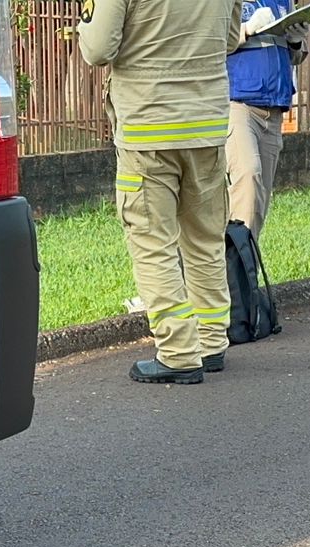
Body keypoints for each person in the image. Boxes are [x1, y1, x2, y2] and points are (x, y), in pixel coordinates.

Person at [79, 0, 245, 384]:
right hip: (206, 124)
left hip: (148, 128)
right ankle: (211, 341)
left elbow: (98, 49)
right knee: (204, 239)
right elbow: (231, 39)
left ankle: (178, 353)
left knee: (154, 245)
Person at [226, 1, 309, 239]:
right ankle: (235, 269)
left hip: (273, 107)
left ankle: (244, 266)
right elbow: (206, 41)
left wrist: (295, 40)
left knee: (259, 199)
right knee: (248, 180)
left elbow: (292, 54)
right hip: (237, 102)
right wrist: (246, 30)